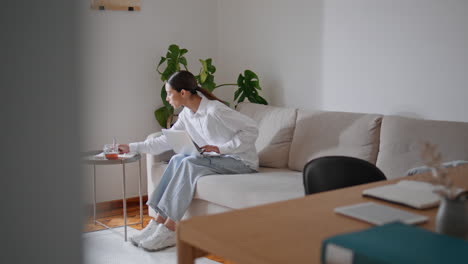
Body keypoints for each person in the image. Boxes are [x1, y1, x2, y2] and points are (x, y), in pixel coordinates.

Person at [118, 70, 259, 251]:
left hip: (240, 162)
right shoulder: (187, 114)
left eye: (169, 93)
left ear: (183, 93)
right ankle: (157, 222)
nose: (167, 98)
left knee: (188, 163)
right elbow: (165, 141)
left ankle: (170, 229)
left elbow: (252, 129)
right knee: (178, 158)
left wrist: (221, 148)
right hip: (218, 159)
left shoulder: (215, 110)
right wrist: (131, 147)